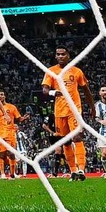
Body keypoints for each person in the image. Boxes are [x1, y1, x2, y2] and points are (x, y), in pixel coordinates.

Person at [42, 46, 96, 182]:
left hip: (75, 110)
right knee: (65, 142)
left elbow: (86, 90)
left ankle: (81, 169)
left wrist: (92, 107)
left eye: (63, 54)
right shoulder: (51, 71)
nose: (60, 56)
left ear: (68, 56)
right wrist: (54, 92)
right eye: (58, 54)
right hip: (59, 112)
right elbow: (44, 90)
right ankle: (72, 171)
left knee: (77, 137)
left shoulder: (76, 72)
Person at [0, 90, 29, 179]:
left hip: (10, 133)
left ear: (5, 96)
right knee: (1, 154)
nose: (0, 96)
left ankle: (13, 173)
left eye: (2, 95)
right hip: (0, 134)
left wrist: (24, 118)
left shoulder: (12, 107)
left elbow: (18, 119)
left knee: (11, 153)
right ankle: (2, 174)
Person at [41, 111, 65, 177]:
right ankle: (55, 171)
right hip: (54, 137)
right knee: (58, 150)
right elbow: (44, 125)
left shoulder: (63, 115)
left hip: (61, 135)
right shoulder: (51, 116)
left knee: (60, 153)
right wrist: (52, 132)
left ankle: (56, 171)